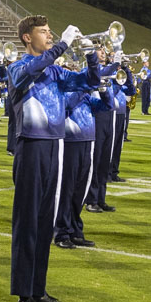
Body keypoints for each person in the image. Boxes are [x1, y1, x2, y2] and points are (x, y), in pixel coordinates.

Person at [7, 16, 98, 302]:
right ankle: (23, 295)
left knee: (46, 223)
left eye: (49, 32)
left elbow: (91, 81)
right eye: (43, 32)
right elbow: (30, 72)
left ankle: (39, 290)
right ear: (27, 39)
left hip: (57, 146)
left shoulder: (56, 70)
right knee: (28, 222)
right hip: (32, 146)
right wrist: (61, 46)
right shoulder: (18, 67)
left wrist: (90, 53)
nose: (48, 35)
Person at [56, 85, 101, 249]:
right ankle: (61, 232)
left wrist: (104, 90)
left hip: (88, 143)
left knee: (80, 192)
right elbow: (68, 104)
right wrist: (84, 88)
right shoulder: (65, 93)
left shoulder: (86, 96)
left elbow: (106, 105)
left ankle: (75, 231)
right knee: (67, 191)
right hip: (71, 144)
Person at [83, 51, 125, 212]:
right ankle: (90, 199)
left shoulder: (110, 71)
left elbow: (115, 89)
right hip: (97, 115)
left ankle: (101, 198)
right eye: (99, 50)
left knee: (105, 161)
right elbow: (99, 74)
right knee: (96, 159)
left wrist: (122, 69)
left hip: (110, 116)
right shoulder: (91, 69)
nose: (103, 52)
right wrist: (115, 64)